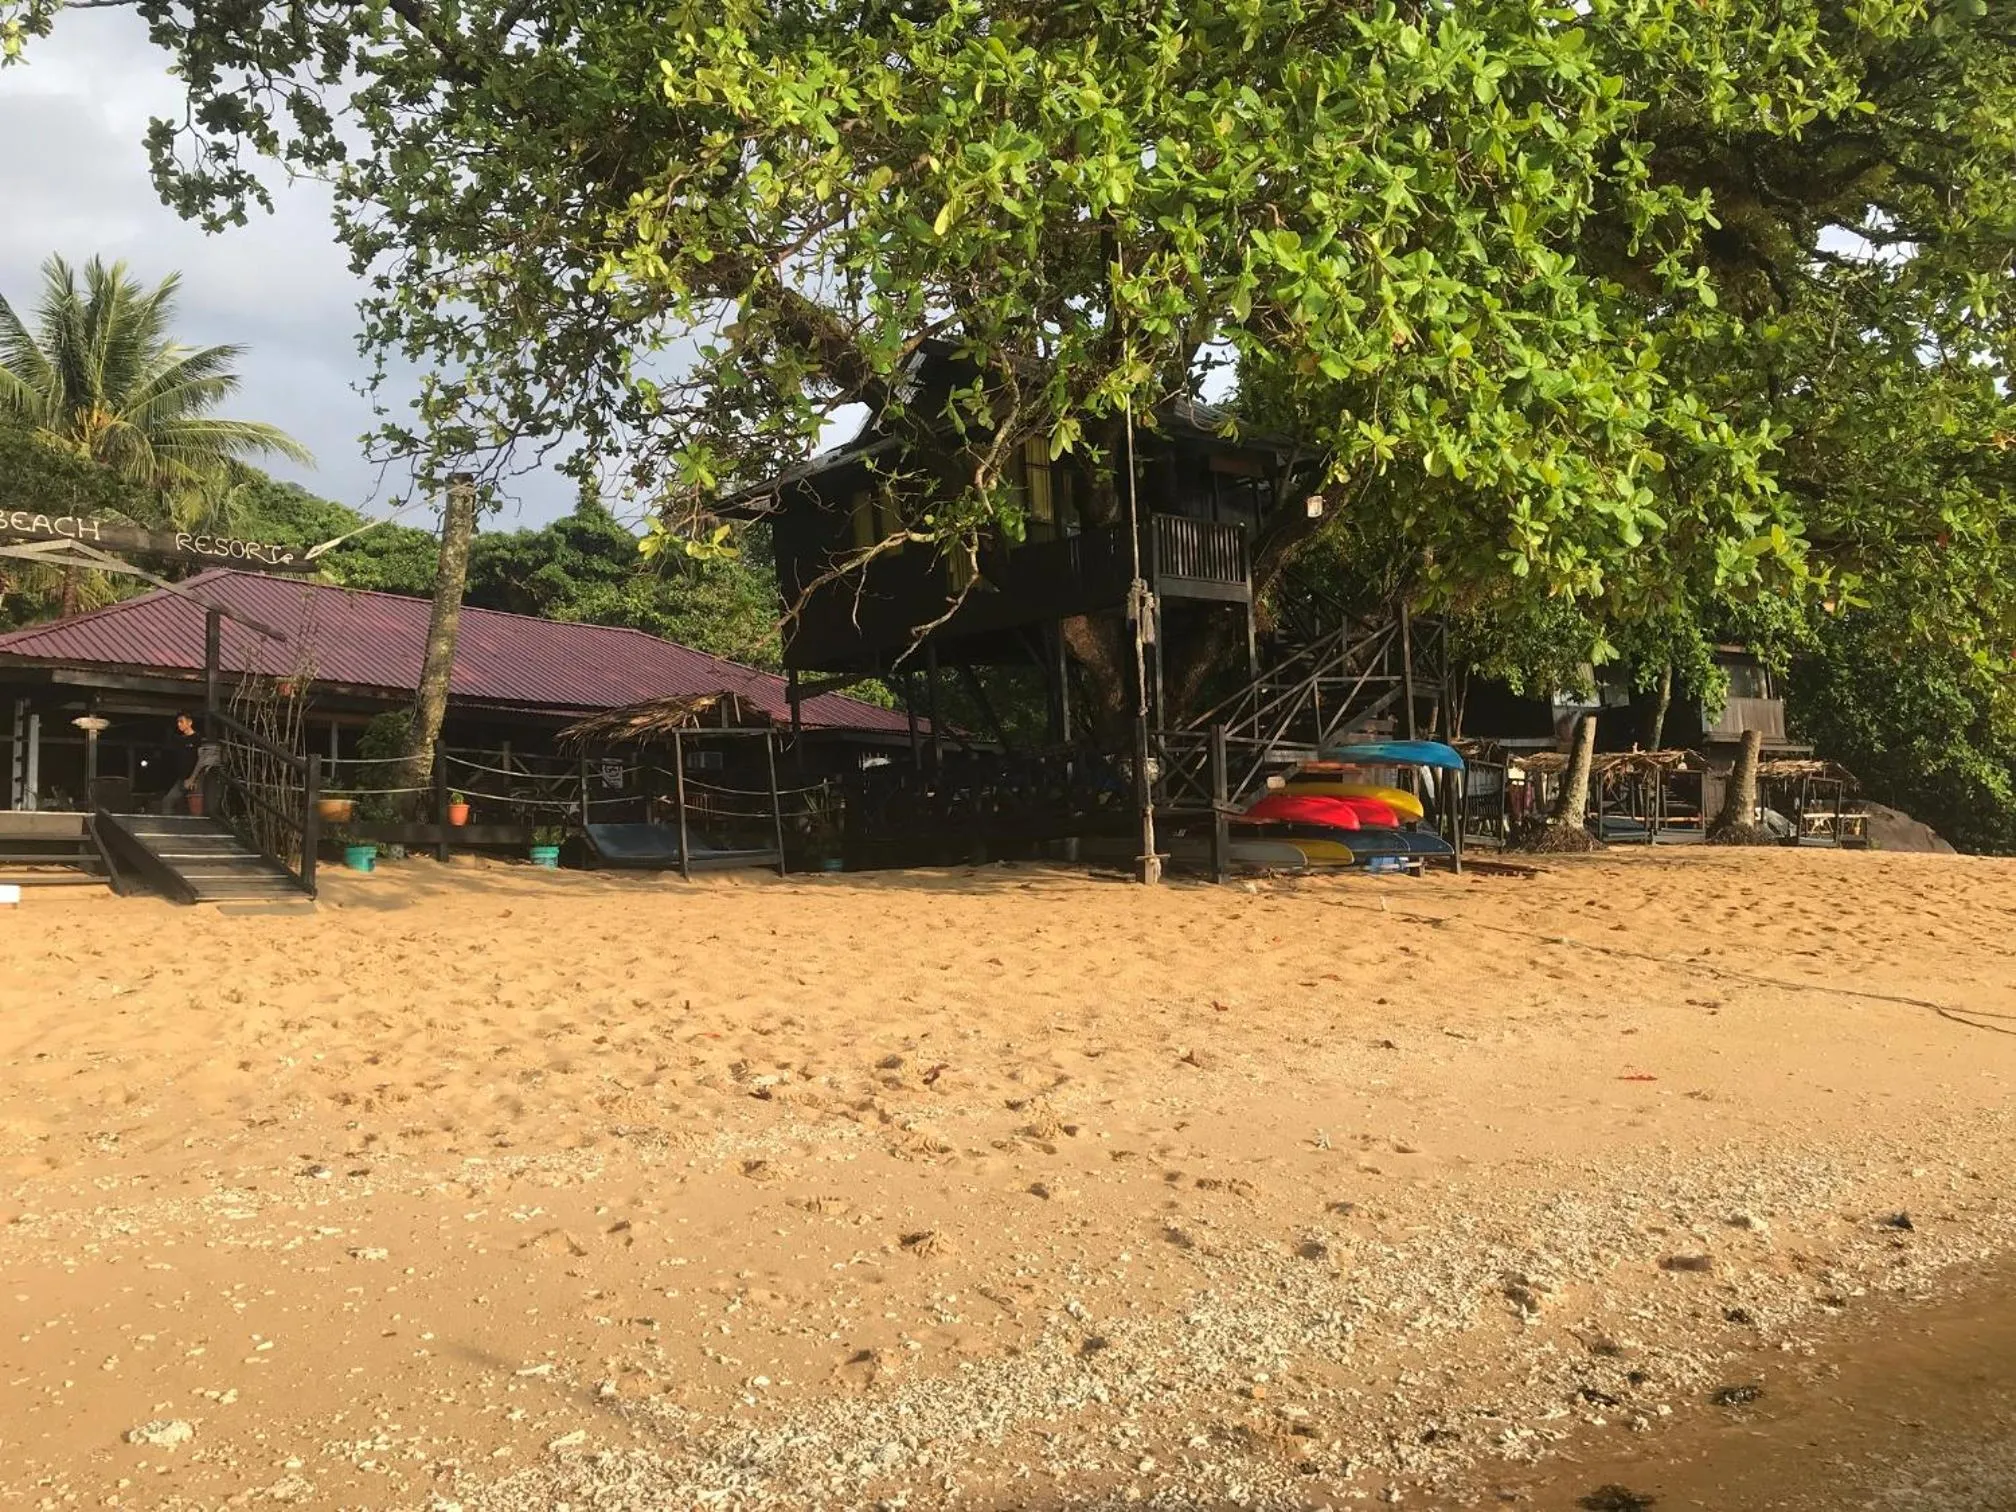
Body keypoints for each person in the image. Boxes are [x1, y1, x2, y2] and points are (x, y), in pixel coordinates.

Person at [158, 712, 201, 814]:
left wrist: (193, 778)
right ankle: (168, 828)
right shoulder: (179, 740)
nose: (179, 724)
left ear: (189, 722)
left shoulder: (197, 739)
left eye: (181, 722)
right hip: (182, 779)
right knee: (167, 801)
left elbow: (201, 760)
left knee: (195, 808)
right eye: (178, 722)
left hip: (196, 779)